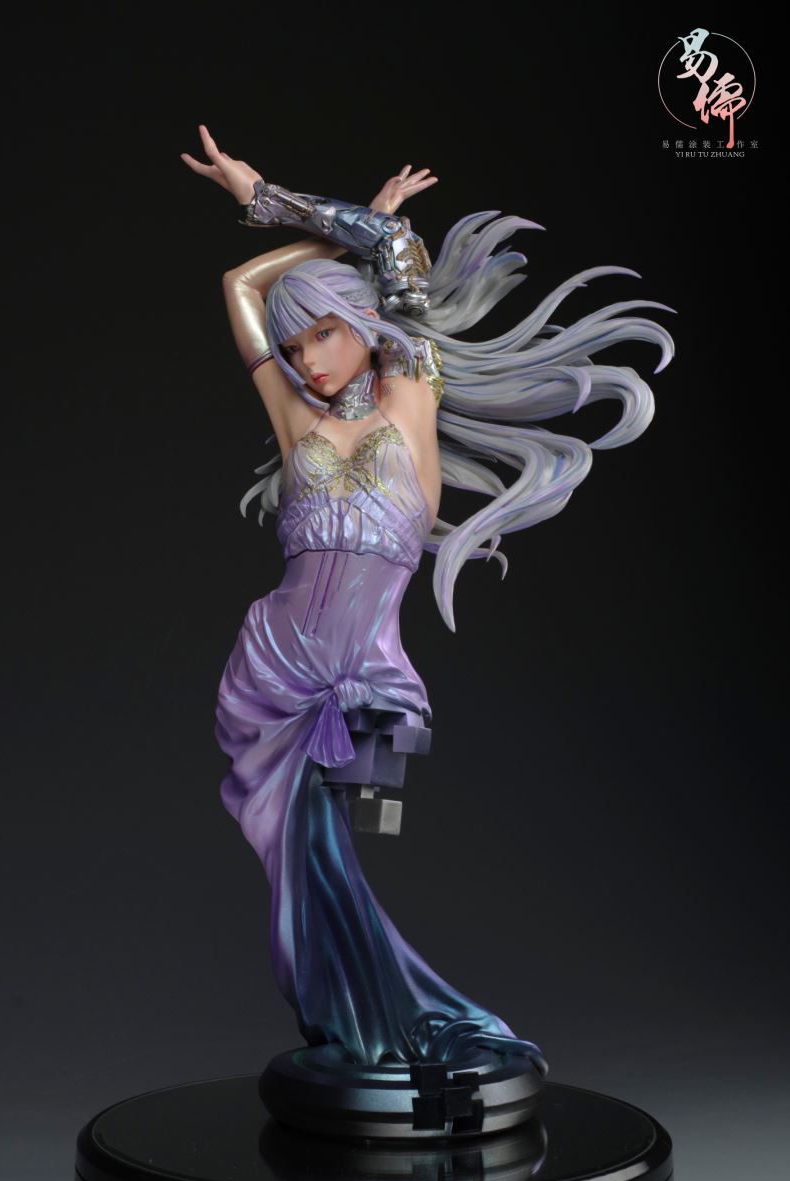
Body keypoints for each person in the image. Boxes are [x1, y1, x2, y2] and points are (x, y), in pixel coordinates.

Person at [181, 126, 675, 1074]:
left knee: (354, 846)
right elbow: (239, 286)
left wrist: (268, 197)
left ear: (365, 323)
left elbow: (397, 252)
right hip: (275, 666)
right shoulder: (293, 418)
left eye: (324, 331)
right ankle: (361, 1030)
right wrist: (334, 242)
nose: (308, 360)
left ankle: (399, 1024)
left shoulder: (411, 395)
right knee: (300, 864)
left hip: (369, 678)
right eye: (294, 344)